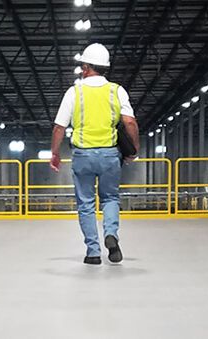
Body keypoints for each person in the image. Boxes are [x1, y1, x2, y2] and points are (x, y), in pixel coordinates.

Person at [48, 43, 139, 265]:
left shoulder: (74, 92)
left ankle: (93, 252)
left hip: (83, 156)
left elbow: (59, 127)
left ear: (87, 67)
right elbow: (130, 122)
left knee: (86, 203)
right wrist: (134, 151)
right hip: (110, 155)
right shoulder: (117, 91)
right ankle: (111, 235)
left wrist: (55, 153)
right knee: (110, 198)